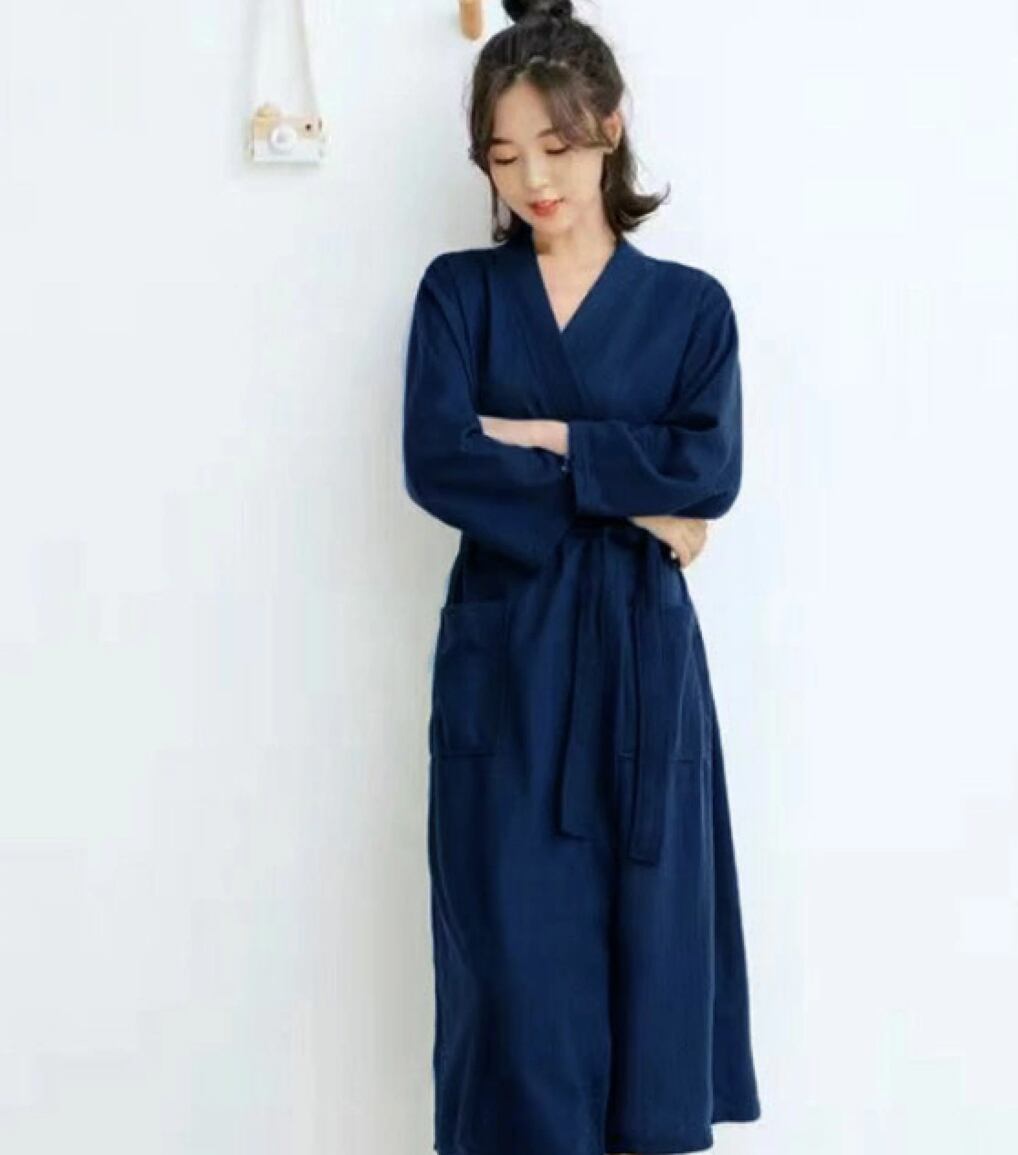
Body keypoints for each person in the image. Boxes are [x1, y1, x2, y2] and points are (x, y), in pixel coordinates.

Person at [401, 2, 762, 1152]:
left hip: (642, 671)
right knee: (512, 986)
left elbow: (709, 473)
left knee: (648, 968)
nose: (533, 182)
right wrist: (633, 492)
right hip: (508, 670)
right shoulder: (459, 295)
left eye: (554, 147)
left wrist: (549, 437)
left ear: (608, 127)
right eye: (504, 157)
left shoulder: (692, 309)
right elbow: (439, 460)